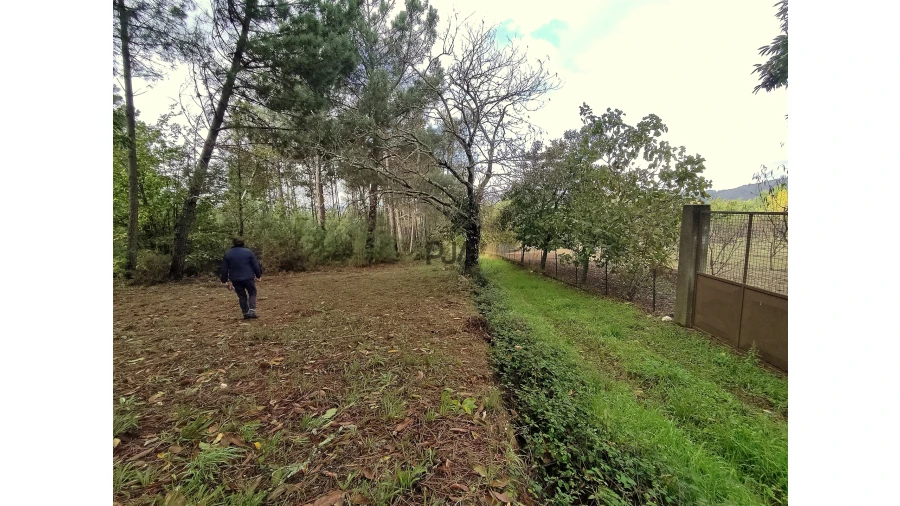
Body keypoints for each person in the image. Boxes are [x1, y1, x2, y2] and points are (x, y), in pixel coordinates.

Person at [219, 237, 263, 319]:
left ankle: (245, 313)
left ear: (233, 243)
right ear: (243, 243)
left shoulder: (228, 254)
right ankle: (252, 311)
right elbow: (255, 265)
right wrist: (258, 275)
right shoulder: (248, 252)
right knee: (252, 292)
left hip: (235, 279)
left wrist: (224, 280)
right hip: (248, 277)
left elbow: (224, 269)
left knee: (242, 296)